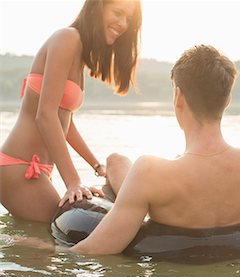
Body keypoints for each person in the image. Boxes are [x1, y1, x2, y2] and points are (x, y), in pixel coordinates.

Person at [72, 45, 240, 255]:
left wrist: (43, 249)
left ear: (178, 97)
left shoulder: (151, 174)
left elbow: (95, 250)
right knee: (117, 162)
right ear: (228, 99)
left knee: (118, 163)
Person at [0, 0, 142, 222]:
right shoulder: (67, 38)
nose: (123, 24)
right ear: (97, 7)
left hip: (38, 170)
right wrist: (73, 182)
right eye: (118, 13)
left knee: (46, 244)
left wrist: (96, 165)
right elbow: (45, 116)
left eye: (129, 19)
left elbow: (65, 123)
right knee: (57, 242)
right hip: (19, 168)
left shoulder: (79, 52)